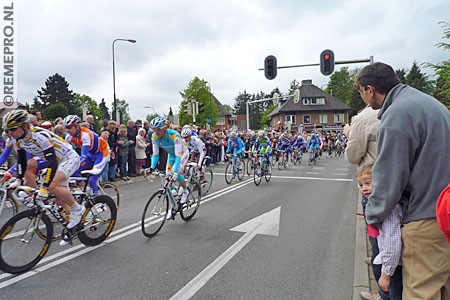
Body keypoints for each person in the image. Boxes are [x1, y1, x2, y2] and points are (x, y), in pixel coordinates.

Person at [356, 62, 450, 299]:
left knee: (421, 291)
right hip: (444, 209)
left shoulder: (397, 115)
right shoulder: (430, 104)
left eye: (361, 93)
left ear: (370, 89)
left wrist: (374, 215)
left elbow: (389, 178)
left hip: (426, 216)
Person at [4, 110, 85, 236]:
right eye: (6, 131)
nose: (9, 133)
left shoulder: (39, 136)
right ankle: (75, 227)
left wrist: (44, 186)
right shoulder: (17, 139)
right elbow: (21, 161)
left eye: (12, 129)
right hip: (55, 161)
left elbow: (52, 162)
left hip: (68, 158)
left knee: (52, 186)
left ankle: (78, 209)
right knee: (59, 199)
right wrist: (18, 179)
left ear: (25, 126)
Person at [344, 105, 385, 300]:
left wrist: (349, 135)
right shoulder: (397, 110)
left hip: (371, 183)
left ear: (369, 90)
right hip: (394, 182)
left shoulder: (362, 118)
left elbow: (352, 156)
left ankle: (381, 291)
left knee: (378, 236)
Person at [357, 164, 403, 300]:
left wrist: (386, 274)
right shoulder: (382, 204)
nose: (364, 188)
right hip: (394, 262)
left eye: (368, 183)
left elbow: (392, 241)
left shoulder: (387, 209)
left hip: (395, 265)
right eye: (360, 185)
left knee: (395, 294)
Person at [147, 117, 190, 220]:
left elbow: (178, 156)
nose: (156, 132)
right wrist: (152, 168)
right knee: (167, 178)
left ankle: (185, 189)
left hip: (182, 154)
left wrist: (175, 172)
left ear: (164, 128)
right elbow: (156, 155)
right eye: (154, 129)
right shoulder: (154, 137)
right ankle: (174, 204)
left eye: (158, 129)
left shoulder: (174, 135)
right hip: (171, 155)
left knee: (176, 172)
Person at [63, 115, 109, 196]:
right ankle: (85, 189)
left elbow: (83, 156)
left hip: (101, 153)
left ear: (77, 126)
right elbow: (65, 152)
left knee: (92, 180)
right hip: (90, 154)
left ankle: (96, 200)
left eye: (69, 127)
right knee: (73, 170)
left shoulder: (85, 134)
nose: (67, 130)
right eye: (65, 127)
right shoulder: (68, 137)